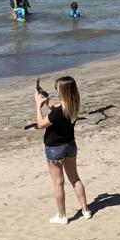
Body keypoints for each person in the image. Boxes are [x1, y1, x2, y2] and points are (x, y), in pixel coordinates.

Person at [32, 77, 92, 224]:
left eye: (56, 88)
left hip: (55, 149)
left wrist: (38, 105)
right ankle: (86, 210)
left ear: (62, 91)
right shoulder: (73, 105)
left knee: (58, 183)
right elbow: (56, 108)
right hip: (70, 146)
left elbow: (40, 124)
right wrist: (46, 100)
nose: (55, 90)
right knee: (75, 179)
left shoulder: (59, 111)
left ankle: (62, 216)